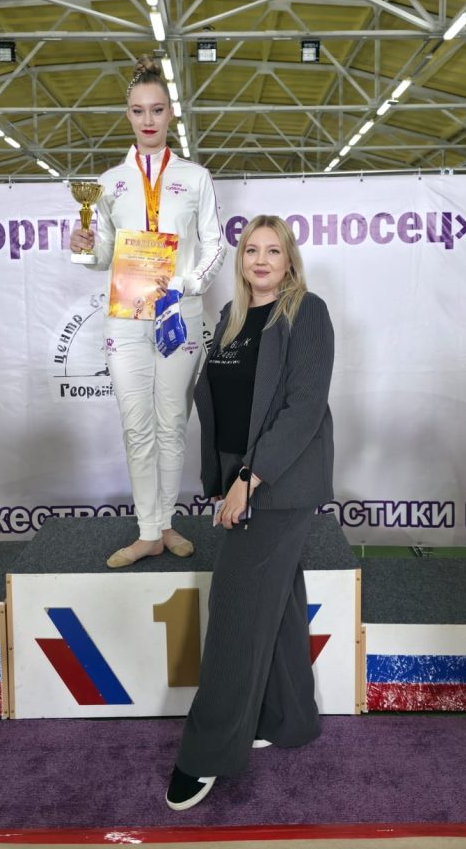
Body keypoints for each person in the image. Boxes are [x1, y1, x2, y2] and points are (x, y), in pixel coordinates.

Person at [165, 214, 335, 811]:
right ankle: (289, 718)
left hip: (278, 483)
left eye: (273, 251)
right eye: (251, 250)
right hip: (243, 477)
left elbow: (304, 407)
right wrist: (223, 476)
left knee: (235, 609)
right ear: (240, 260)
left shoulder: (306, 312)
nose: (261, 260)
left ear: (289, 261)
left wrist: (248, 480)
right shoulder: (231, 319)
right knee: (278, 604)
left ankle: (206, 753)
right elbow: (225, 404)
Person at [70, 54, 225, 568]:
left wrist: (185, 285)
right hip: (125, 318)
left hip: (179, 314)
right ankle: (147, 532)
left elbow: (215, 245)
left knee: (171, 422)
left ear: (170, 112)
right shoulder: (110, 181)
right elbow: (102, 256)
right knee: (136, 425)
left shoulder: (196, 177)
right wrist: (84, 246)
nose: (148, 120)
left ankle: (165, 525)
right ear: (128, 115)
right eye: (138, 111)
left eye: (157, 109)